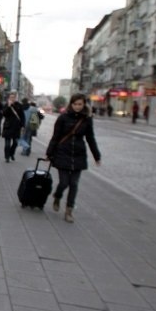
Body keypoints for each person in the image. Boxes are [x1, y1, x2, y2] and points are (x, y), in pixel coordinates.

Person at [46, 93, 101, 223]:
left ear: (84, 105)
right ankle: (57, 196)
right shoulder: (63, 118)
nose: (77, 107)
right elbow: (56, 137)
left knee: (74, 184)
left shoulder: (87, 119)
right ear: (71, 104)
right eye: (75, 104)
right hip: (62, 153)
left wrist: (96, 156)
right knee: (64, 182)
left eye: (80, 104)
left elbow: (90, 138)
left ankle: (69, 211)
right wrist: (49, 153)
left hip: (78, 154)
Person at [1, 92, 25, 162]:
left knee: (15, 143)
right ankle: (7, 157)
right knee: (7, 144)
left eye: (14, 97)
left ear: (16, 98)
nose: (12, 99)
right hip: (8, 127)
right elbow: (4, 114)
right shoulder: (6, 105)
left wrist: (23, 126)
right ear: (9, 98)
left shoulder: (19, 105)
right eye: (11, 97)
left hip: (16, 128)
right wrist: (8, 106)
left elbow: (22, 117)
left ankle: (11, 153)